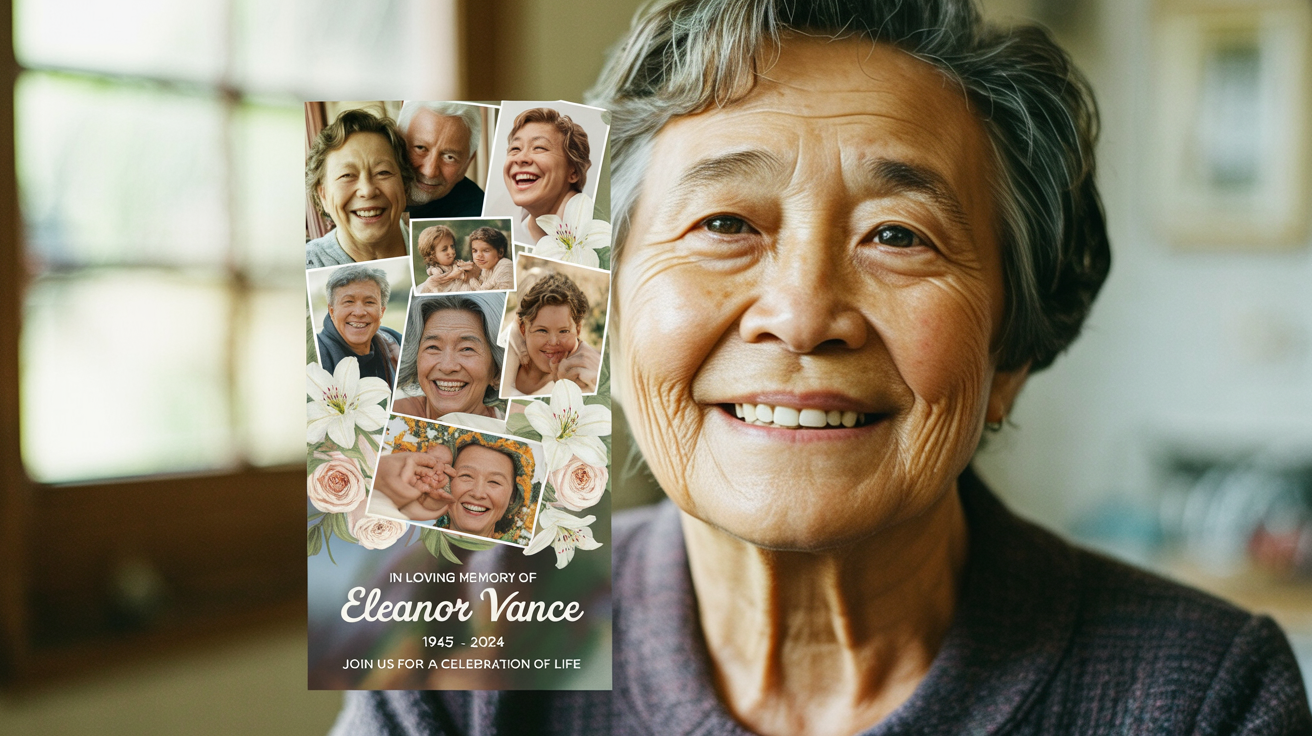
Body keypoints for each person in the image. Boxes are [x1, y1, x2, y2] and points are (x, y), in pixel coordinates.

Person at [332, 0, 1312, 733]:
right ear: (601, 314)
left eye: (899, 234)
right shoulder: (453, 649)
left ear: (1009, 351)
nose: (802, 314)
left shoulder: (1201, 694)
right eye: (723, 223)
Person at [305, 109, 412, 269]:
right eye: (347, 175)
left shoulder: (437, 249)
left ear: (404, 185)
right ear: (324, 196)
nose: (367, 190)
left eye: (383, 172)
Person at [391, 293, 505, 429]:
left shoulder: (514, 433)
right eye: (433, 347)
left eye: (467, 349)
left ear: (497, 373)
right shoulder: (388, 419)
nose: (447, 366)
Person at [502, 272, 599, 396]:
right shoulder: (509, 344)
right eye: (542, 331)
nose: (553, 342)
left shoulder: (585, 374)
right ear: (523, 329)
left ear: (578, 329)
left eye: (563, 331)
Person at [502, 107, 590, 244]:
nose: (520, 158)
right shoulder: (514, 234)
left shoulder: (592, 235)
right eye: (515, 149)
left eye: (539, 147)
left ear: (574, 172)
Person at [397, 101, 485, 218]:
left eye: (449, 157)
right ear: (398, 143)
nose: (430, 172)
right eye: (420, 148)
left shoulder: (478, 212)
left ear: (467, 164)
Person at [315, 265, 400, 387]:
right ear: (331, 311)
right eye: (348, 301)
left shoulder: (394, 341)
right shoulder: (317, 353)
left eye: (369, 302)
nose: (359, 312)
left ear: (382, 311)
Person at [414, 224, 472, 294]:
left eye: (452, 246)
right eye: (444, 249)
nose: (452, 251)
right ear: (432, 255)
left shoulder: (457, 264)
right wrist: (453, 275)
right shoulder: (435, 273)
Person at [464, 226, 514, 291]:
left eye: (486, 250)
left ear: (500, 252)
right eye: (475, 251)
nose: (479, 255)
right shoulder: (486, 269)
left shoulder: (506, 265)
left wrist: (471, 278)